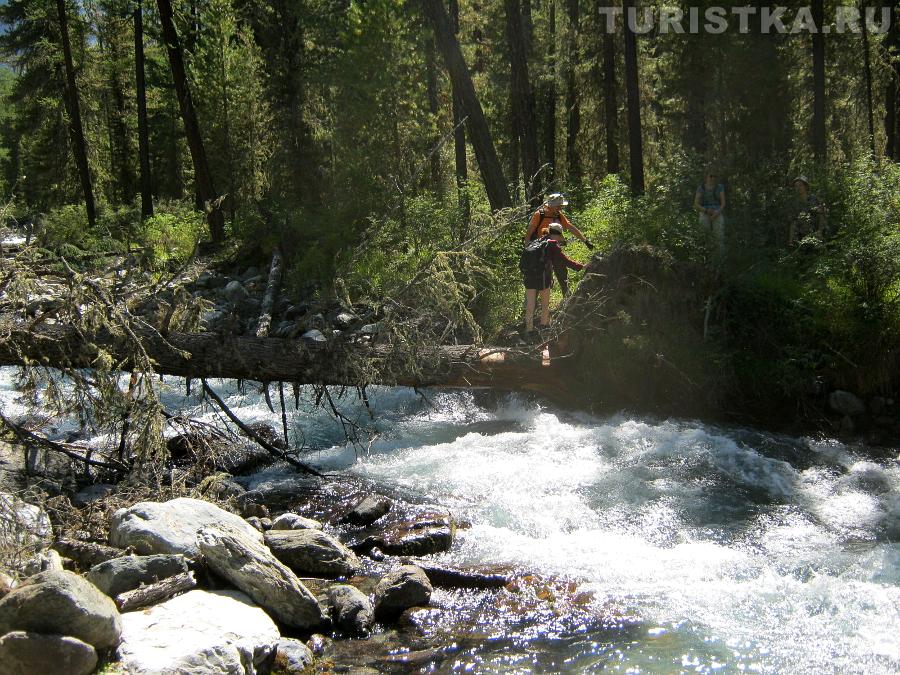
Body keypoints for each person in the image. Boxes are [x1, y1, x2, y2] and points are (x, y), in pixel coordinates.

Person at [523, 193, 593, 295]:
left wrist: (585, 240)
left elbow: (570, 227)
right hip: (540, 251)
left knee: (561, 270)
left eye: (561, 206)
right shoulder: (540, 214)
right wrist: (527, 248)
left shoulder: (558, 215)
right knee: (540, 275)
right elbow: (529, 232)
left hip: (553, 248)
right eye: (559, 206)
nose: (561, 208)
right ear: (552, 205)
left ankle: (566, 294)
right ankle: (532, 302)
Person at [521, 223, 585, 334]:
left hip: (529, 277)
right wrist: (582, 266)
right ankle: (543, 329)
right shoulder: (552, 245)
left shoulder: (537, 241)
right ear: (558, 234)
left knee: (530, 307)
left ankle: (529, 332)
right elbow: (565, 261)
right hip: (543, 278)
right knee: (545, 306)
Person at [693, 171, 726, 259]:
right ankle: (704, 258)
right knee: (704, 236)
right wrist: (706, 211)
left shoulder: (720, 187)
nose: (712, 178)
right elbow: (696, 204)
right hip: (705, 212)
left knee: (719, 236)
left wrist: (716, 213)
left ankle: (720, 259)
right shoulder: (701, 188)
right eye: (711, 176)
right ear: (706, 177)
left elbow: (723, 203)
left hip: (717, 212)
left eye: (714, 176)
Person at [788, 175, 826, 247]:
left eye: (800, 185)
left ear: (806, 186)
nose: (798, 188)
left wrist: (820, 233)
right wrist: (791, 241)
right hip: (801, 238)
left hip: (815, 235)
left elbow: (821, 216)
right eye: (796, 186)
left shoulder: (814, 199)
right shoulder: (795, 203)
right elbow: (792, 223)